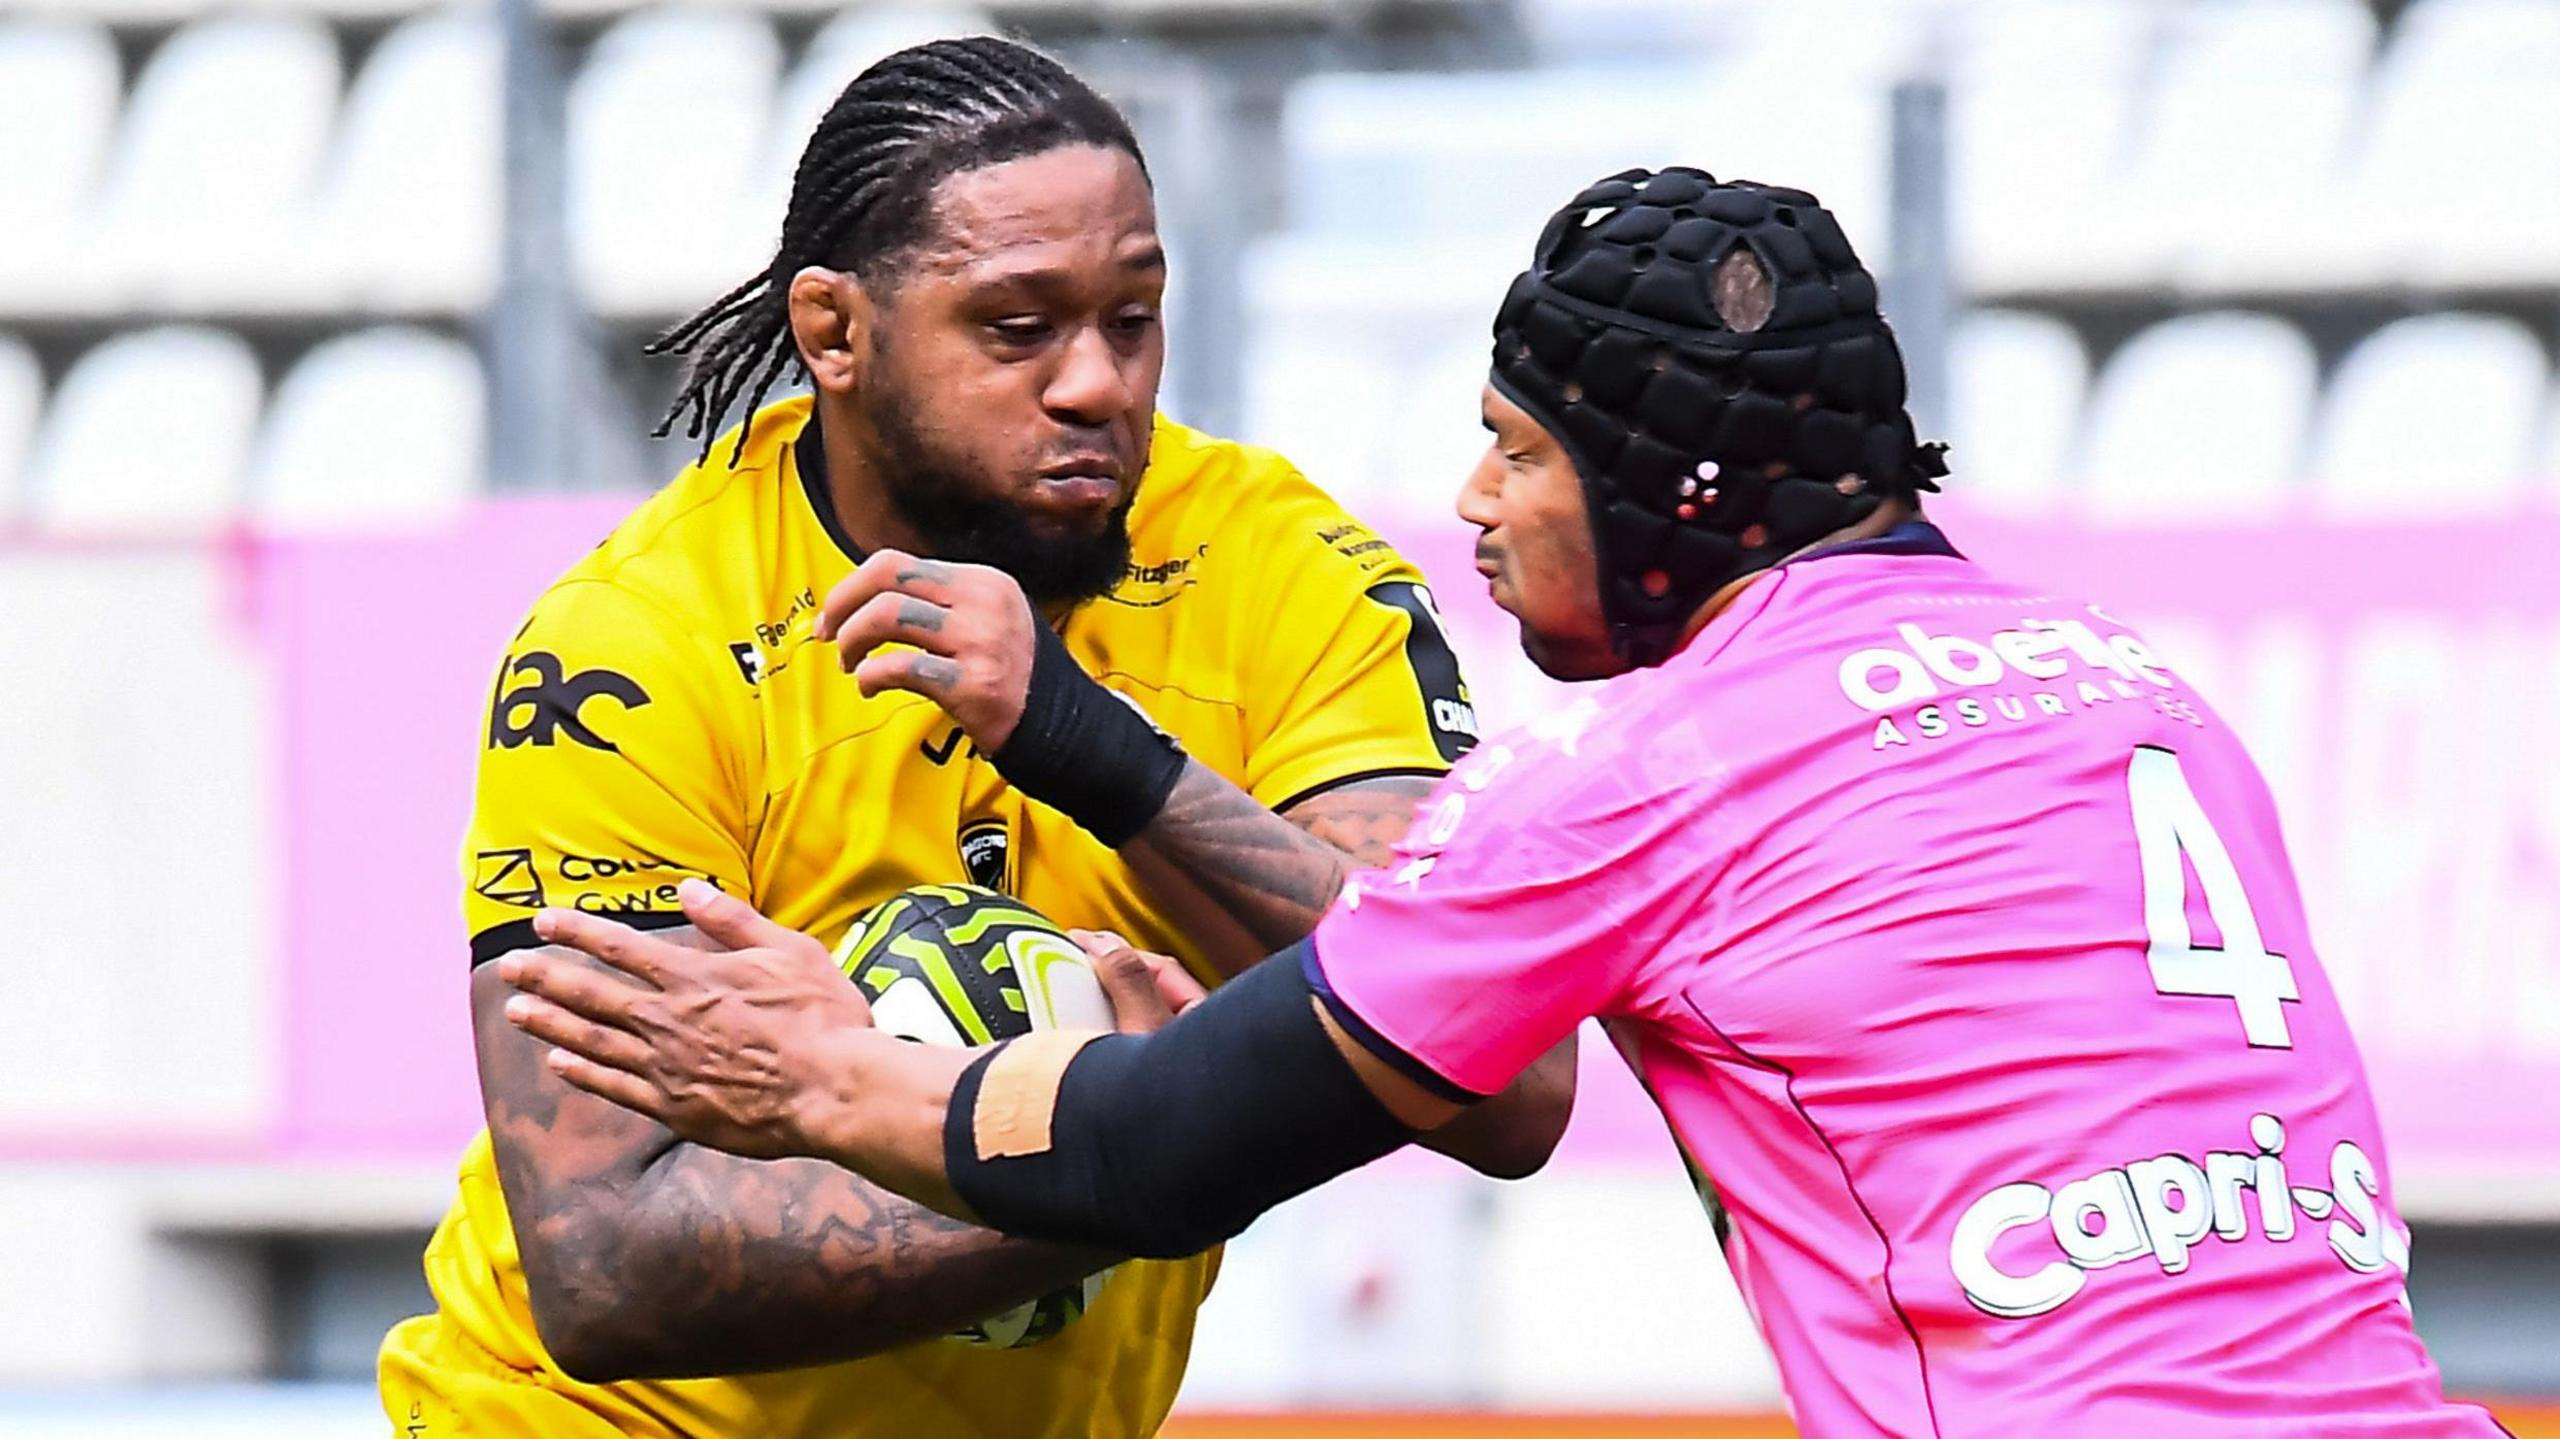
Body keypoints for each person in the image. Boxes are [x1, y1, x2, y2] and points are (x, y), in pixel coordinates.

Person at [502, 167, 2509, 1437]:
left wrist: (828, 1086)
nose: (1470, 508)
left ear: (1663, 497)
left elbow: (1168, 1146)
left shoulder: (1645, 778)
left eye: (1513, 454)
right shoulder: (2141, 694)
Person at [379, 34, 1573, 1439]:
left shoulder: (1286, 573)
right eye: (1017, 329)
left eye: (1133, 318)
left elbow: (1509, 1081)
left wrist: (1096, 753)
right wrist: (1141, 1150)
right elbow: (605, 1269)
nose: (1095, 385)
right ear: (834, 333)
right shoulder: (631, 647)